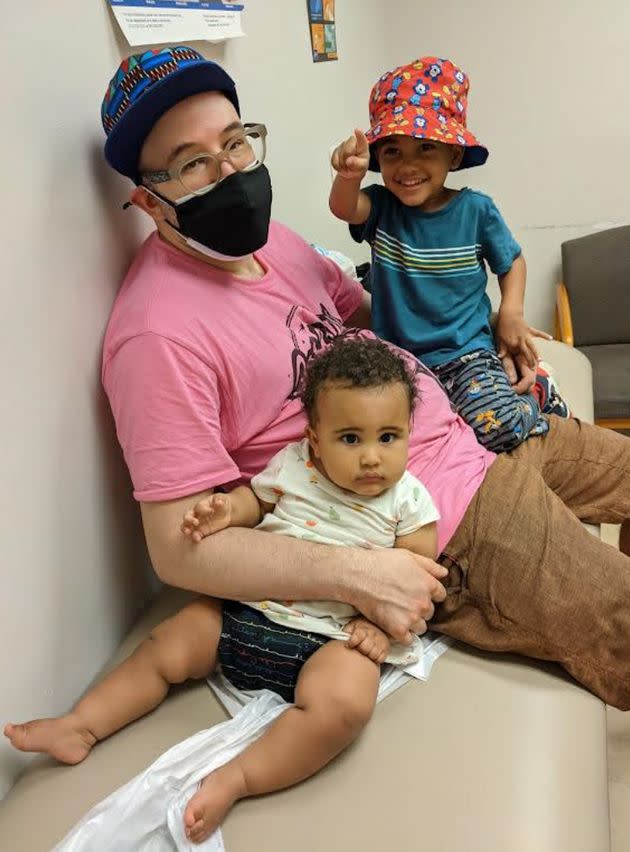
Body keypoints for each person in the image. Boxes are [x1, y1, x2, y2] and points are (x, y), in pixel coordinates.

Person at [6, 49, 628, 820]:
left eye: (235, 143)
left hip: (472, 425)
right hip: (440, 515)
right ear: (147, 198)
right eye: (192, 163)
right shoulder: (157, 336)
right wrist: (357, 577)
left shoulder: (275, 243)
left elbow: (372, 320)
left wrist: (487, 349)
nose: (230, 172)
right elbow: (177, 547)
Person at [5, 340, 439, 844]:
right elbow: (254, 501)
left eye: (389, 437)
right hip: (248, 610)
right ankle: (81, 725)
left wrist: (376, 627)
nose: (371, 457)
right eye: (349, 438)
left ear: (408, 432)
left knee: (345, 706)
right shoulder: (295, 466)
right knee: (169, 643)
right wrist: (226, 511)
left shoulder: (408, 500)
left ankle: (238, 778)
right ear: (314, 440)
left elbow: (415, 573)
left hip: (333, 638)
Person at [329, 56, 570, 452]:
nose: (408, 166)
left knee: (496, 429)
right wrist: (348, 175)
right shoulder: (380, 207)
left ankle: (540, 391)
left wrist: (510, 313)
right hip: (397, 359)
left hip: (465, 354)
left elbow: (512, 262)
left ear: (454, 156)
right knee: (397, 441)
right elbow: (343, 208)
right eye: (392, 152)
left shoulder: (476, 211)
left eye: (425, 148)